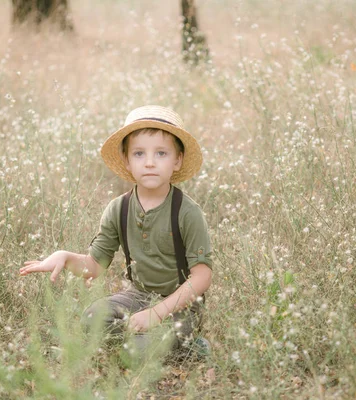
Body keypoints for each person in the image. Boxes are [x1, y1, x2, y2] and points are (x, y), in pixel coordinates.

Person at [19, 105, 212, 354]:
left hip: (181, 305)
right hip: (138, 296)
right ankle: (148, 340)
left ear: (178, 160)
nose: (150, 162)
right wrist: (65, 257)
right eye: (139, 153)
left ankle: (190, 347)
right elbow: (95, 266)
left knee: (140, 350)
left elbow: (202, 277)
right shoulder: (118, 209)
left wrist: (155, 314)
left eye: (161, 153)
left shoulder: (187, 212)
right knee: (92, 319)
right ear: (127, 160)